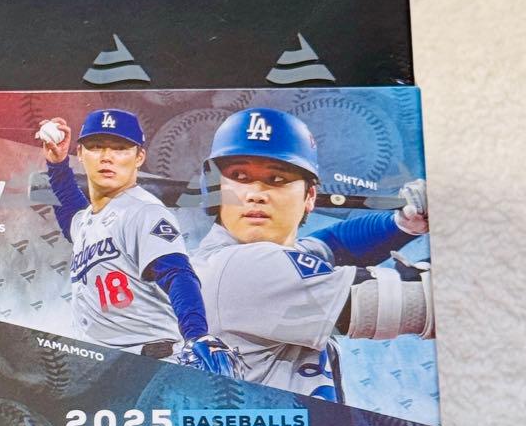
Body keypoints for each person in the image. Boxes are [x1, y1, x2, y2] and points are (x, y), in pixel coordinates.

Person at [191, 108, 433, 401]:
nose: (255, 194)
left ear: (310, 197)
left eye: (276, 178)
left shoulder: (234, 259)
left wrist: (404, 223)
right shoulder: (240, 269)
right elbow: (427, 303)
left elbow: (334, 244)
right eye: (239, 176)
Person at [37, 108, 235, 375]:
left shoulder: (143, 211)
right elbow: (70, 213)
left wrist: (196, 334)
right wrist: (58, 164)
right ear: (80, 153)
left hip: (149, 362)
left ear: (139, 156)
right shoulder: (88, 220)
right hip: (106, 369)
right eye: (96, 147)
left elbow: (177, 273)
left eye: (120, 148)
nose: (107, 157)